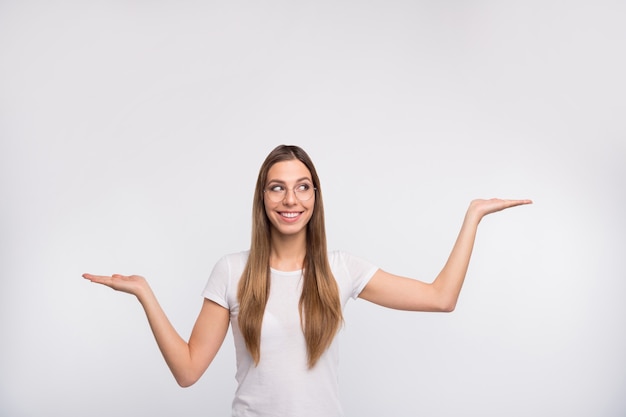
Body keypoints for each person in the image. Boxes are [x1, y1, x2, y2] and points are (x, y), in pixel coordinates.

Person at [83, 144, 532, 417]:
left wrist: (473, 216)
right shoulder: (232, 271)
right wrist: (145, 294)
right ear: (262, 198)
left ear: (316, 196)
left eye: (303, 186)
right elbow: (187, 370)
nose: (290, 198)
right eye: (277, 187)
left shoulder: (342, 270)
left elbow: (440, 298)